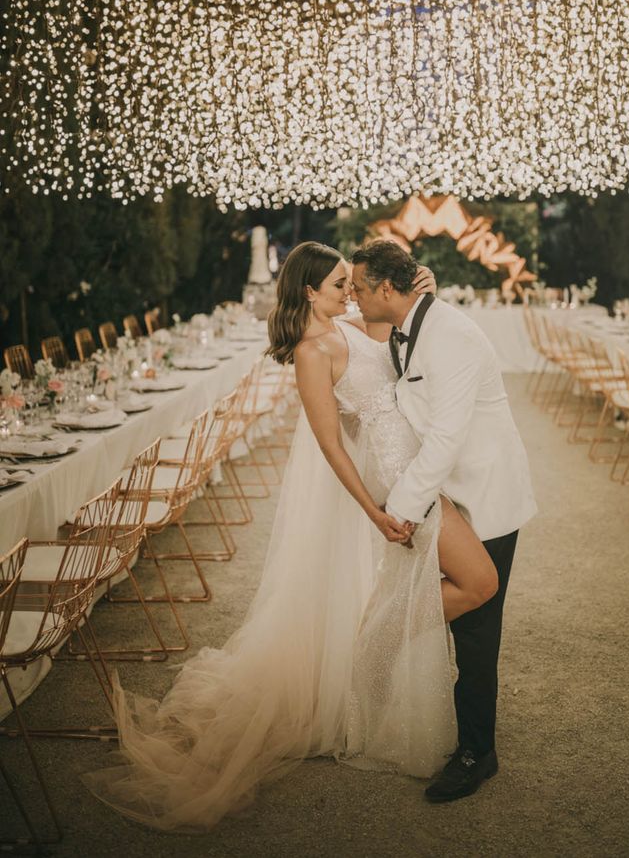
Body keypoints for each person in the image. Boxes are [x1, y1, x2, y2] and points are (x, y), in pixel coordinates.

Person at [84, 241, 496, 832]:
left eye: (351, 285)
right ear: (309, 291)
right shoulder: (312, 350)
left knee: (464, 579)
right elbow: (331, 444)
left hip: (418, 467)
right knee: (480, 581)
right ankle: (374, 648)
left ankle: (377, 640)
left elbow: (396, 322)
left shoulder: (353, 323)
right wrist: (373, 511)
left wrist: (422, 285)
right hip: (397, 481)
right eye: (337, 285)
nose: (348, 292)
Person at [350, 239, 536, 803]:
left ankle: (478, 752)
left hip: (485, 494)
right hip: (446, 499)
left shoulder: (450, 334)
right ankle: (407, 643)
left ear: (387, 289)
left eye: (359, 288)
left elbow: (448, 438)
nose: (355, 298)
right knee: (465, 619)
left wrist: (399, 510)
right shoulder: (411, 321)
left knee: (478, 628)